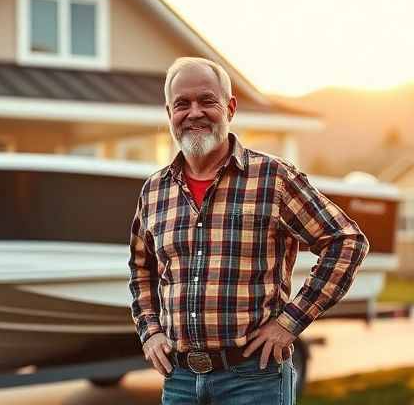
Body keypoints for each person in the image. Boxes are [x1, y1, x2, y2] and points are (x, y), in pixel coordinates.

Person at [128, 57, 370, 404]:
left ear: (230, 107)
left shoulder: (273, 178)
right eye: (182, 104)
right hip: (179, 380)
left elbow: (346, 241)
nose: (194, 112)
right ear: (169, 114)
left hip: (254, 379)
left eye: (206, 101)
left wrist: (290, 322)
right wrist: (150, 331)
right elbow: (140, 268)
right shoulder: (154, 190)